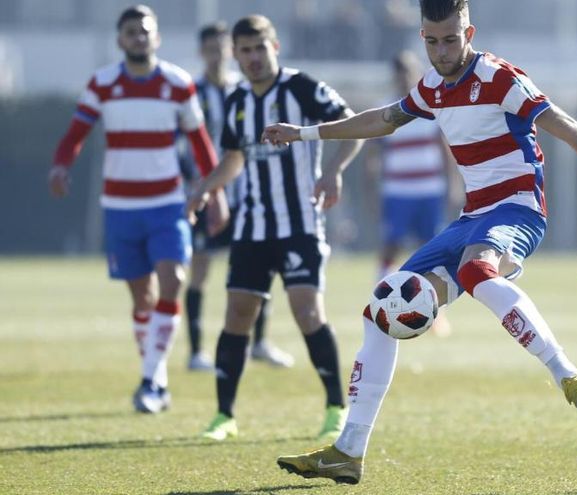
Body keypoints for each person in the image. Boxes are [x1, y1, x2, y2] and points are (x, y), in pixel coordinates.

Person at [263, 0, 577, 484]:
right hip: (470, 218)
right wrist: (304, 134)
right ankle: (348, 452)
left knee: (476, 271)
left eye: (451, 39)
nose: (441, 50)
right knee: (381, 309)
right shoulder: (432, 87)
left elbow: (568, 129)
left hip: (518, 208)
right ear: (422, 37)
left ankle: (566, 374)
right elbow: (381, 120)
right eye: (431, 41)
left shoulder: (499, 77)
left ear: (468, 32)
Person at [187, 15, 363, 442]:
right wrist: (208, 189)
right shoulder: (238, 100)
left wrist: (335, 170)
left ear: (274, 47)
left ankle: (336, 407)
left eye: (258, 48)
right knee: (237, 316)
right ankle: (224, 415)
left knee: (307, 311)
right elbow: (235, 157)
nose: (252, 58)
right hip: (252, 227)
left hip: (299, 223)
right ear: (235, 54)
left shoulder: (301, 87)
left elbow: (352, 126)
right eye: (243, 50)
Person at [49, 4, 226, 414]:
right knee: (142, 298)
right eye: (131, 32)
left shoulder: (178, 83)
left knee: (173, 279)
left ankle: (150, 378)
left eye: (145, 31)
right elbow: (75, 134)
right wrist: (61, 165)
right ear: (120, 40)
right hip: (120, 207)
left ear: (157, 37)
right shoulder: (103, 84)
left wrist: (214, 194)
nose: (139, 38)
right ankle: (157, 377)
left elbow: (200, 145)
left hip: (167, 204)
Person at [183, 22, 294, 371]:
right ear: (202, 52)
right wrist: (204, 188)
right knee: (200, 269)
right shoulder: (193, 92)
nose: (218, 54)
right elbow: (183, 147)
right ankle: (196, 351)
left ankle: (260, 342)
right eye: (211, 48)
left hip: (248, 195)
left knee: (260, 266)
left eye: (223, 47)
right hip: (210, 193)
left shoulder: (243, 89)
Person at [370, 50, 454, 280]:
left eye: (408, 71)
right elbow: (373, 157)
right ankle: (382, 289)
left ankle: (431, 304)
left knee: (431, 246)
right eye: (400, 73)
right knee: (391, 243)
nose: (404, 77)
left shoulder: (432, 107)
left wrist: (453, 186)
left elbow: (445, 149)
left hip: (430, 190)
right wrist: (374, 193)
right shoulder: (384, 109)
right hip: (397, 192)